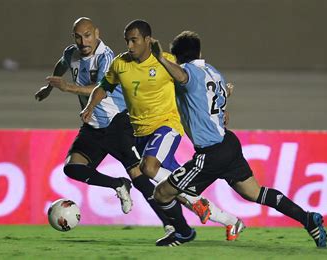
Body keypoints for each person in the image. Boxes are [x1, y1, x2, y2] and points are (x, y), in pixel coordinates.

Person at [150, 30, 327, 247]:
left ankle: (182, 232)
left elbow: (183, 76)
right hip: (228, 144)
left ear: (175, 56)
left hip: (211, 152)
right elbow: (220, 109)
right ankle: (307, 219)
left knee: (162, 193)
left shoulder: (188, 72)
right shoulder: (214, 73)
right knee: (255, 193)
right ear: (200, 52)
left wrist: (160, 58)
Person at [80, 19, 244, 241]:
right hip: (140, 132)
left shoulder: (168, 61)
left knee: (148, 167)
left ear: (148, 40)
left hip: (166, 125)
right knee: (176, 189)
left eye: (134, 40)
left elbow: (201, 82)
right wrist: (90, 106)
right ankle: (231, 221)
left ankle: (192, 207)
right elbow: (103, 87)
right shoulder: (120, 64)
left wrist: (223, 102)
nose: (129, 46)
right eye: (127, 40)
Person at [35, 17, 178, 234]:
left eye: (88, 35)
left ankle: (170, 223)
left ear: (97, 33)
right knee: (72, 167)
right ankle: (118, 185)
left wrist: (67, 87)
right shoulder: (71, 53)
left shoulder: (107, 57)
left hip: (117, 124)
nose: (83, 42)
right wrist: (49, 86)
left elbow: (100, 88)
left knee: (139, 176)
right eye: (78, 37)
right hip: (93, 125)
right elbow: (62, 64)